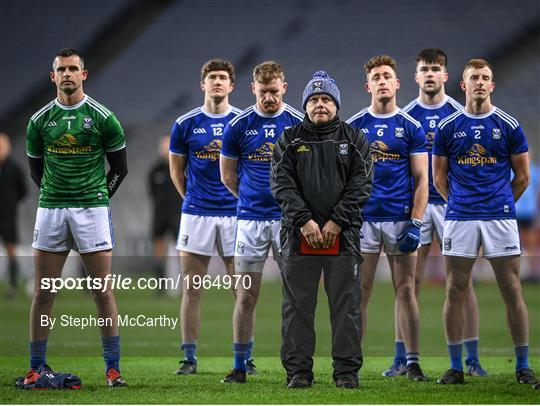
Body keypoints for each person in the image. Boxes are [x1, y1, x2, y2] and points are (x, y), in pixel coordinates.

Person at [23, 48, 128, 387]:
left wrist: (97, 197)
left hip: (92, 210)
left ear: (84, 74)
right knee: (43, 293)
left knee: (101, 291)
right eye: (61, 70)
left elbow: (120, 169)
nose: (67, 74)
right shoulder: (39, 121)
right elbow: (36, 171)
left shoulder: (102, 117)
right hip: (51, 209)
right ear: (52, 77)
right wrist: (56, 196)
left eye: (73, 69)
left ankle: (113, 370)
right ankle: (36, 366)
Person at [433, 58, 538, 385]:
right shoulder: (448, 127)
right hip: (460, 219)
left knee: (511, 289)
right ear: (463, 85)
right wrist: (460, 204)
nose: (479, 82)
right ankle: (455, 367)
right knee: (455, 289)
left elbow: (522, 177)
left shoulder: (508, 125)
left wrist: (502, 203)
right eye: (474, 78)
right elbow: (438, 178)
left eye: (485, 77)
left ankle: (523, 366)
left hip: (499, 219)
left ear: (492, 85)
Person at [270, 71, 373, 389]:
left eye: (326, 99)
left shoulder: (354, 139)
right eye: (314, 99)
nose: (320, 104)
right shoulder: (289, 139)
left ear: (336, 104)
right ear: (305, 105)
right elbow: (281, 185)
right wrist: (305, 222)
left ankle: (346, 373)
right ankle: (298, 372)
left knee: (346, 308)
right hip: (299, 236)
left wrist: (336, 222)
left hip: (343, 236)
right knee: (297, 307)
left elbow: (362, 184)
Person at [398, 49, 487, 377]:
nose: (431, 74)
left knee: (463, 283)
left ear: (446, 77)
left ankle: (472, 358)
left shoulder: (459, 114)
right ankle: (403, 358)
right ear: (417, 77)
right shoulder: (405, 116)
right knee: (409, 282)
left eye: (436, 69)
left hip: (452, 206)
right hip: (418, 205)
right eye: (425, 69)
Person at [346, 55, 429, 381]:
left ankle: (413, 363)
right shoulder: (354, 126)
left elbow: (422, 179)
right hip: (364, 221)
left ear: (397, 83)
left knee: (406, 290)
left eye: (387, 76)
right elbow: (343, 177)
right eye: (376, 77)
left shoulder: (411, 126)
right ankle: (351, 365)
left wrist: (416, 221)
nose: (382, 81)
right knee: (360, 292)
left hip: (399, 219)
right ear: (369, 85)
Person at [219, 61, 303, 383]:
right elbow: (228, 175)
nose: (269, 97)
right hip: (250, 221)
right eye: (263, 91)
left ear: (283, 87)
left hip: (287, 220)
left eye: (274, 90)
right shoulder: (239, 125)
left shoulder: (297, 123)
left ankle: (296, 367)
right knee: (246, 295)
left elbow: (307, 174)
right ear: (253, 88)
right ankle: (240, 366)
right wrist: (252, 198)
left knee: (295, 295)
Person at [169, 59, 242, 375]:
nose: (217, 82)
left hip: (234, 214)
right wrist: (194, 200)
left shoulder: (242, 121)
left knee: (241, 289)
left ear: (231, 85)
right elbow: (176, 171)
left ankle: (243, 357)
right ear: (203, 84)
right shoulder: (185, 124)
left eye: (223, 77)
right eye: (212, 77)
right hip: (197, 214)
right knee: (192, 287)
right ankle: (189, 357)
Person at [148, 135, 183, 294]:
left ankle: (184, 286)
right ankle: (160, 286)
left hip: (177, 216)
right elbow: (152, 192)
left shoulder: (180, 169)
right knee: (159, 253)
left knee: (182, 253)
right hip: (159, 216)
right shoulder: (155, 171)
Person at [0, 132, 27, 298]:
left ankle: (13, 285)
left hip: (8, 216)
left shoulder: (14, 168)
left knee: (11, 250)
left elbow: (23, 190)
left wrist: (12, 203)